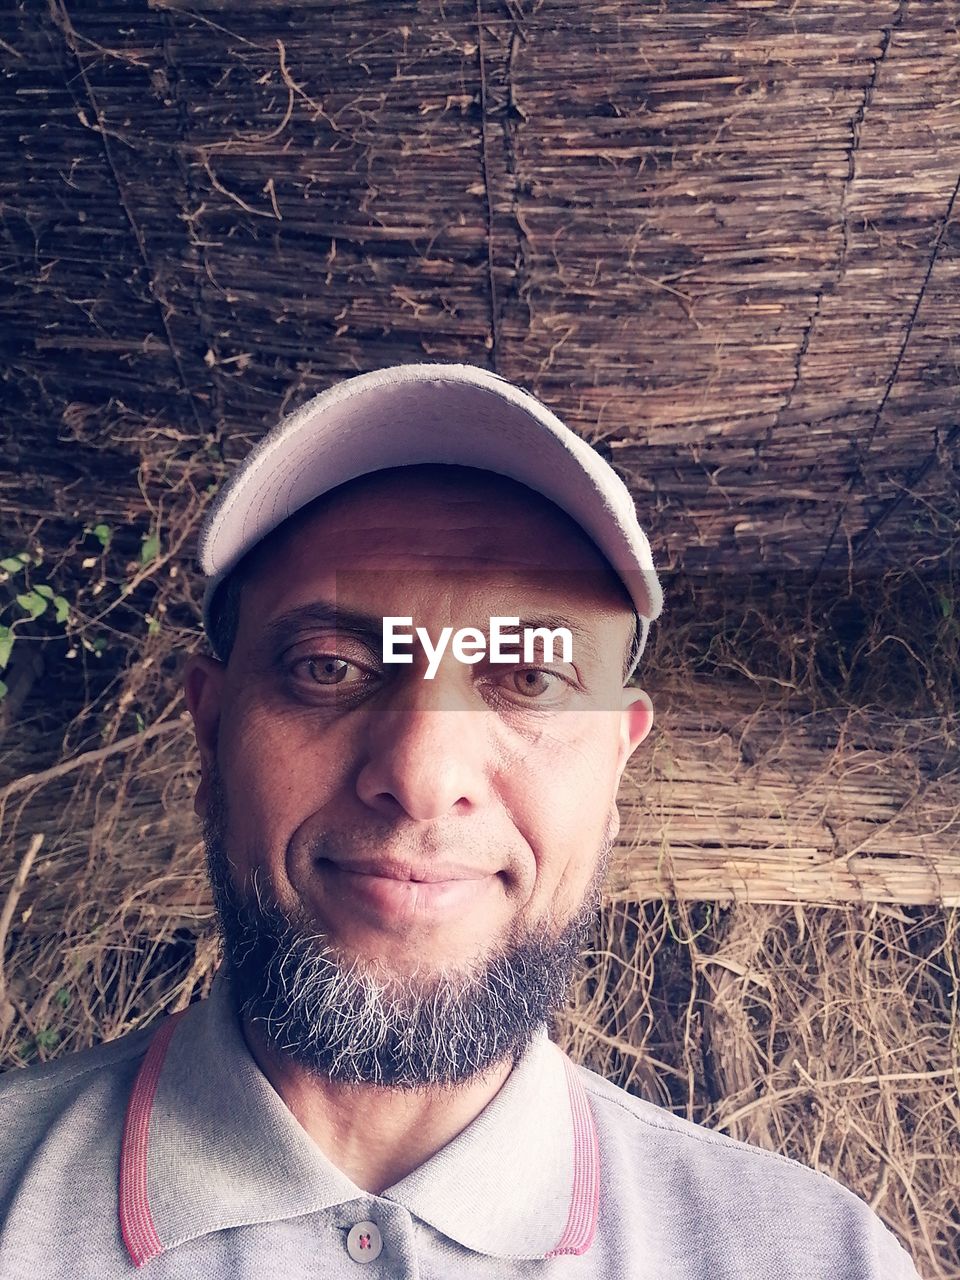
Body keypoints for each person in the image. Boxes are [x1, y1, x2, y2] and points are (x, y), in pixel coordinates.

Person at [0, 364, 920, 1278]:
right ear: (210, 735)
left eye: (530, 678)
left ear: (615, 770)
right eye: (330, 666)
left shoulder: (818, 1259)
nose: (422, 777)